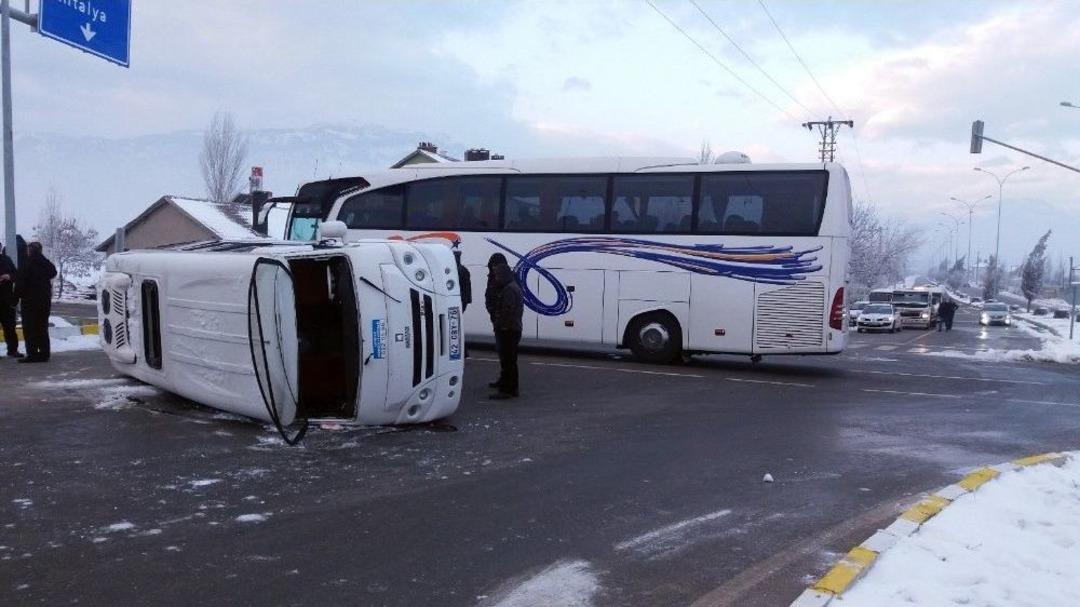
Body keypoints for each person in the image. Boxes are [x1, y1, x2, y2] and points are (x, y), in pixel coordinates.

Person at [487, 255, 523, 399]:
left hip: (508, 330)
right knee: (509, 360)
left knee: (508, 360)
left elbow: (506, 312)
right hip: (512, 329)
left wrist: (498, 324)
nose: (495, 279)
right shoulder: (513, 286)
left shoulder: (508, 290)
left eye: (497, 276)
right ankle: (508, 387)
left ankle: (509, 389)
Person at [15, 241, 57, 363]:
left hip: (29, 303)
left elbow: (20, 284)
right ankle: (44, 354)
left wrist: (15, 298)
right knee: (42, 327)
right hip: (44, 301)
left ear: (31, 251)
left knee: (30, 328)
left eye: (29, 250)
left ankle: (32, 354)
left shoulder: (26, 264)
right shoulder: (45, 263)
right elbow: (53, 272)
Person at [0, 244, 21, 358]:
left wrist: (8, 276)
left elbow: (16, 275)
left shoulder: (6, 260)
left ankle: (12, 350)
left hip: (7, 299)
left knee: (10, 326)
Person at [454, 248, 472, 358]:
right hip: (462, 301)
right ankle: (464, 351)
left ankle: (463, 351)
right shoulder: (464, 270)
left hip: (457, 301)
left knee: (455, 327)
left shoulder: (455, 270)